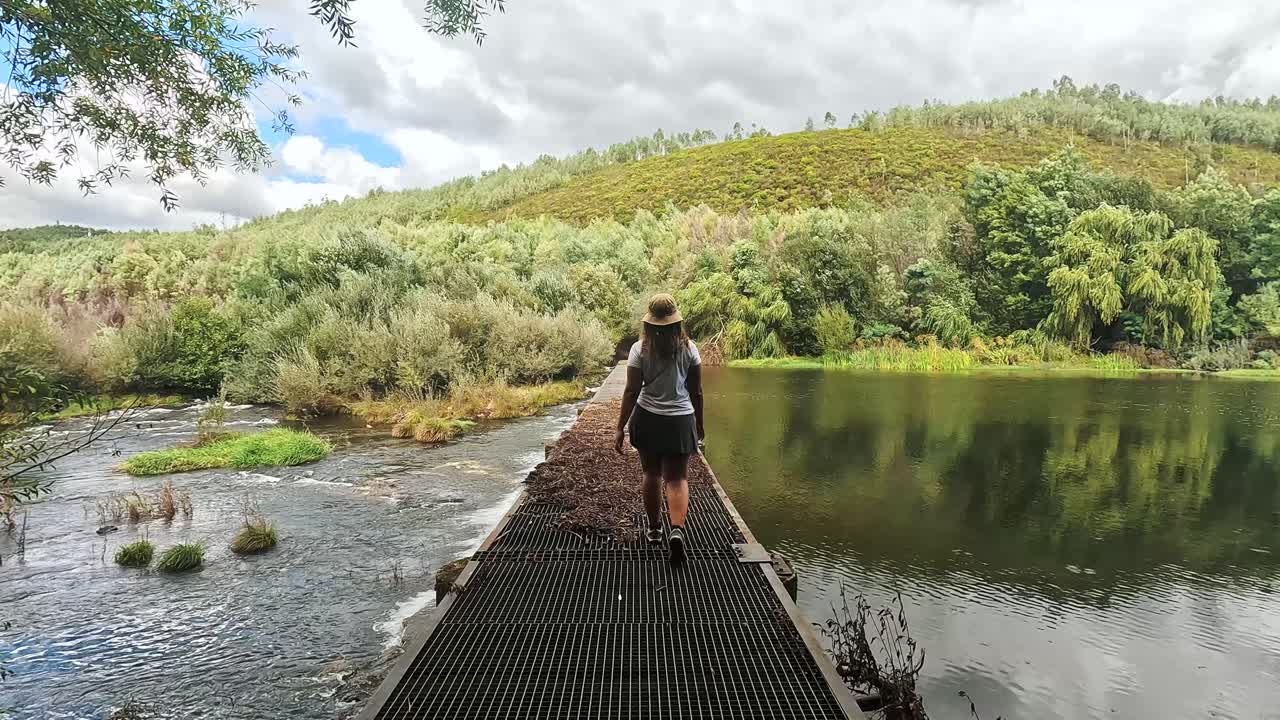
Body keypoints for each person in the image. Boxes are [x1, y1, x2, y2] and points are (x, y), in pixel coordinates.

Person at [614, 293, 704, 564]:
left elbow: (631, 391)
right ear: (676, 321)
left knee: (651, 473)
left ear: (650, 323)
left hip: (648, 417)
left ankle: (654, 530)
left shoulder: (639, 349)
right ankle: (677, 530)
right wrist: (699, 425)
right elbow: (696, 391)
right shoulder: (690, 349)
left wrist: (620, 427)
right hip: (680, 419)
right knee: (677, 478)